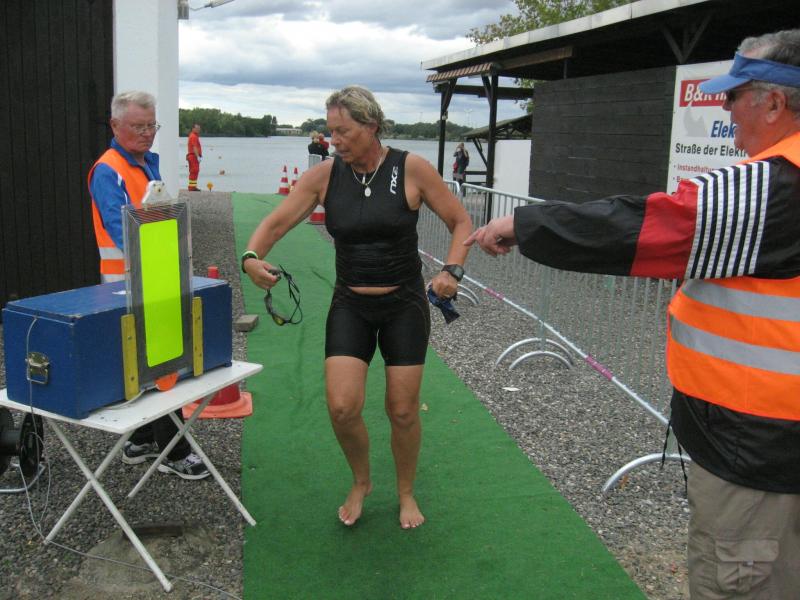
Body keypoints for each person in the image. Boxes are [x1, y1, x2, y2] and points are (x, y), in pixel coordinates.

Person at [465, 29, 800, 599]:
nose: (725, 108)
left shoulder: (774, 184)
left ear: (772, 103)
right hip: (768, 442)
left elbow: (645, 228)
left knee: (740, 581)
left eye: (733, 95)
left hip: (759, 447)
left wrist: (524, 224)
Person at [243, 85, 472, 528]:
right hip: (350, 303)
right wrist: (251, 257)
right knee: (342, 407)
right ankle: (361, 481)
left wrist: (452, 270)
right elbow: (276, 222)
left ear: (372, 126)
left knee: (402, 410)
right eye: (331, 131)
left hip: (404, 304)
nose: (334, 141)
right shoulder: (325, 176)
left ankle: (405, 493)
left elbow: (460, 221)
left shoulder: (411, 168)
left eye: (343, 131)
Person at [88, 91, 210, 480]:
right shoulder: (108, 170)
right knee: (162, 365)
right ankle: (175, 452)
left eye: (151, 125)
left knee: (150, 361)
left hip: (152, 278)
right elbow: (120, 228)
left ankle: (140, 440)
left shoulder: (147, 164)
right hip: (128, 283)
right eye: (138, 126)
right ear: (115, 126)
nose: (146, 133)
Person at [187, 122, 202, 191]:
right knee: (194, 171)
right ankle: (191, 187)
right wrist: (198, 157)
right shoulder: (193, 136)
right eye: (197, 128)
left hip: (193, 156)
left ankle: (193, 186)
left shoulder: (194, 136)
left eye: (199, 128)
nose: (198, 130)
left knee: (195, 171)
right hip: (193, 156)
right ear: (193, 129)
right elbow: (194, 147)